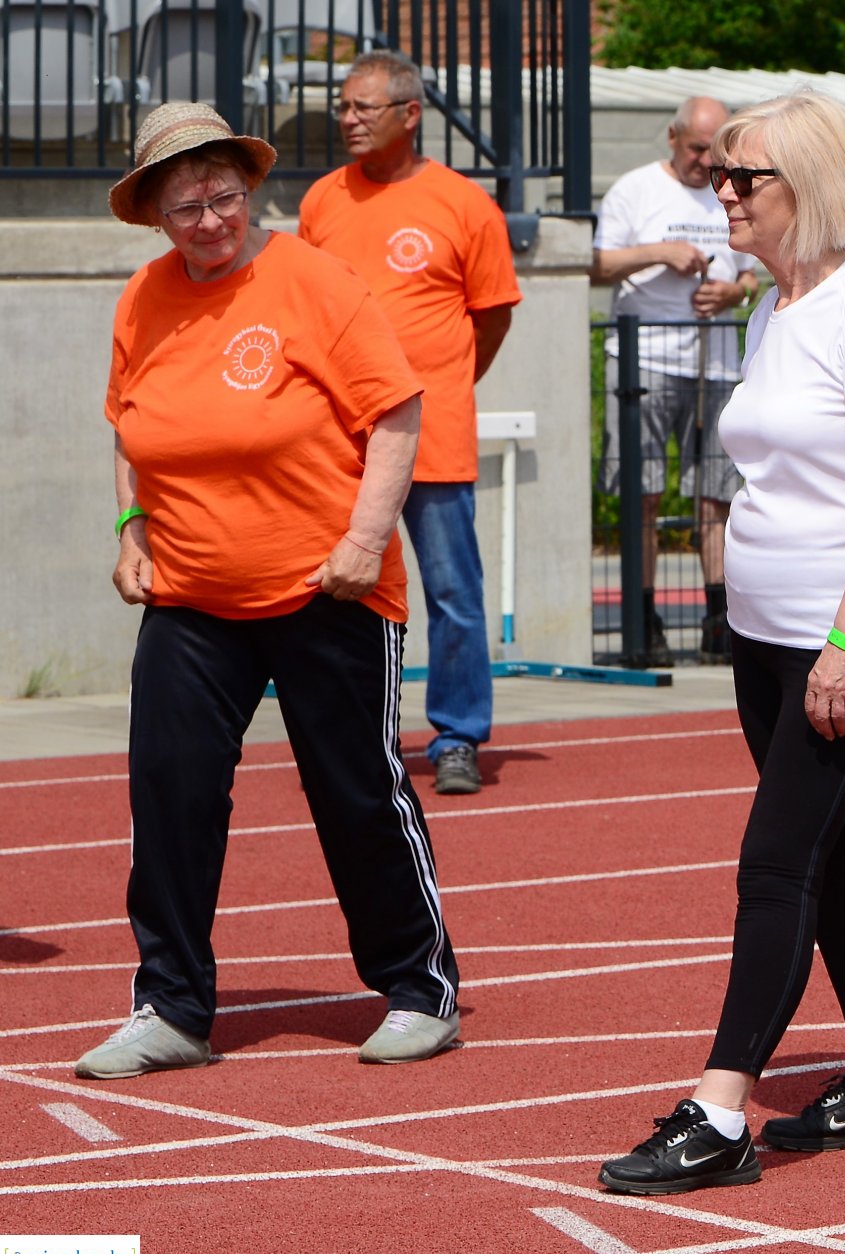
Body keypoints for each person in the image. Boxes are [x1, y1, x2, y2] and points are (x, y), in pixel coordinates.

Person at [595, 89, 845, 1196]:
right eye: (719, 175)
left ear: (813, 184)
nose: (721, 192)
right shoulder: (779, 301)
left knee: (775, 863)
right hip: (764, 628)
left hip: (841, 635)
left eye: (744, 178)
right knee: (839, 852)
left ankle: (721, 1110)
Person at [80, 102, 461, 1080]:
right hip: (191, 594)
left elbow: (397, 410)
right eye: (187, 208)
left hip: (323, 585)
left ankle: (419, 986)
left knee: (355, 792)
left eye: (224, 199)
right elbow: (131, 428)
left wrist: (364, 538)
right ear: (154, 217)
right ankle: (170, 1005)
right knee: (168, 792)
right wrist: (131, 531)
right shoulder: (142, 300)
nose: (210, 222)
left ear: (248, 193)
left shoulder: (310, 279)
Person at [298, 50, 522, 796]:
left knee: (453, 593)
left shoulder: (464, 204)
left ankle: (456, 735)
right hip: (338, 441)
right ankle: (359, 731)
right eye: (344, 106)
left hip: (434, 435)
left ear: (410, 114)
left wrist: (439, 387)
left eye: (363, 107)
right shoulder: (323, 201)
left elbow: (489, 319)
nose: (348, 119)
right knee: (341, 592)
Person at [591, 96, 760, 668]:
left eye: (713, 155)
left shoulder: (733, 188)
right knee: (644, 493)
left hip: (713, 362)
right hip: (647, 359)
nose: (703, 164)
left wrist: (733, 293)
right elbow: (595, 266)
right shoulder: (635, 190)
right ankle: (644, 617)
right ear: (671, 136)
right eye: (695, 151)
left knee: (717, 492)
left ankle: (719, 618)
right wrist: (659, 253)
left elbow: (751, 273)